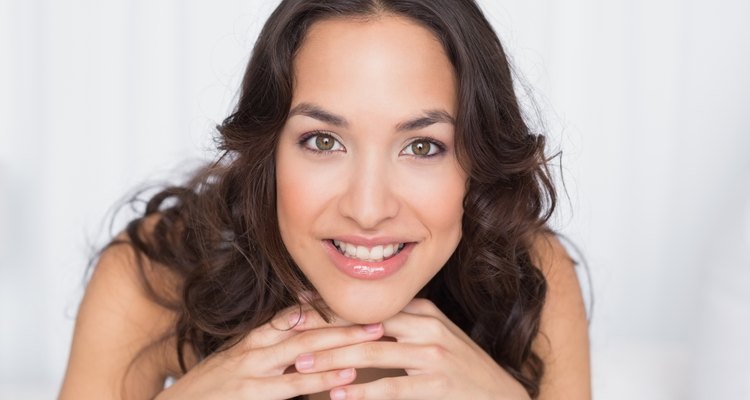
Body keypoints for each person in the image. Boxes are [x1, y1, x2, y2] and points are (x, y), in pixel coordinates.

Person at [60, 0, 590, 399]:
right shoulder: (155, 274)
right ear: (268, 150)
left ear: (478, 162)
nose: (367, 208)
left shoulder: (529, 274)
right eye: (323, 141)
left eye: (422, 146)